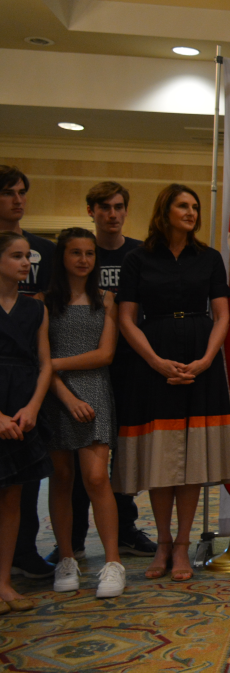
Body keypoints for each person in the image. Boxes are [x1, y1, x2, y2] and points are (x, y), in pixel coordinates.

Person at [116, 183, 230, 581]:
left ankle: (184, 545)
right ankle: (163, 543)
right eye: (183, 205)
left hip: (200, 362)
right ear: (164, 210)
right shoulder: (138, 258)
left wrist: (205, 360)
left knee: (192, 458)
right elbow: (125, 319)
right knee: (162, 456)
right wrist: (153, 360)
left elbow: (222, 315)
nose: (191, 212)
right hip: (153, 364)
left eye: (195, 207)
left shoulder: (209, 258)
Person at [48, 182, 155, 563]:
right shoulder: (74, 256)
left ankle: (125, 531)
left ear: (126, 210)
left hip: (127, 367)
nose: (113, 213)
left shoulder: (140, 252)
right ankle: (71, 542)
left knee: (119, 458)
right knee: (70, 468)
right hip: (71, 377)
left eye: (119, 206)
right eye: (105, 207)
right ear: (91, 211)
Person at [42, 228, 125, 597]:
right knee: (61, 476)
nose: (84, 260)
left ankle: (112, 562)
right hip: (55, 395)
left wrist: (53, 364)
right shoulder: (44, 302)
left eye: (90, 253)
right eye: (76, 253)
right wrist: (61, 390)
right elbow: (39, 361)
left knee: (95, 477)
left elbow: (105, 355)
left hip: (94, 391)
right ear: (63, 257)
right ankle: (66, 558)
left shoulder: (107, 298)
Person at [0, 166, 57, 581]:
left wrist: (34, 404)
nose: (18, 199)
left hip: (26, 394)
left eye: (22, 191)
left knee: (21, 487)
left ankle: (21, 557)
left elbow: (44, 360)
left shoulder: (42, 253)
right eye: (8, 193)